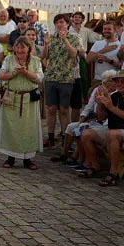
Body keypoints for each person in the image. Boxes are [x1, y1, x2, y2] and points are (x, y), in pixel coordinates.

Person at [0, 38, 44, 169]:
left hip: (29, 99)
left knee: (28, 129)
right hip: (12, 98)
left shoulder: (35, 61)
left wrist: (26, 73)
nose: (20, 50)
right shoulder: (8, 60)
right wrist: (14, 73)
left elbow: (40, 78)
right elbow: (0, 75)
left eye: (23, 47)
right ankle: (10, 158)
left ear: (28, 48)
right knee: (12, 128)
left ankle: (28, 159)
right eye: (18, 47)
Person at [62, 71, 117, 170]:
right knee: (74, 126)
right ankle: (66, 154)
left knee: (81, 130)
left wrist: (102, 101)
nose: (113, 83)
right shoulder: (98, 90)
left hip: (102, 122)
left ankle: (82, 160)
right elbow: (89, 106)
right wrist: (82, 118)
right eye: (109, 81)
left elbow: (104, 116)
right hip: (94, 118)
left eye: (114, 80)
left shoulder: (115, 94)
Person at [43, 14, 82, 148]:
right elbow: (44, 56)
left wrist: (65, 40)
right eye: (57, 23)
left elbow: (73, 54)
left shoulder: (74, 38)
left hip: (66, 78)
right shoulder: (52, 38)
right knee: (51, 108)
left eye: (61, 22)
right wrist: (46, 45)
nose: (59, 25)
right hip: (51, 76)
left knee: (64, 110)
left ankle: (66, 138)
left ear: (67, 24)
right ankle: (51, 137)